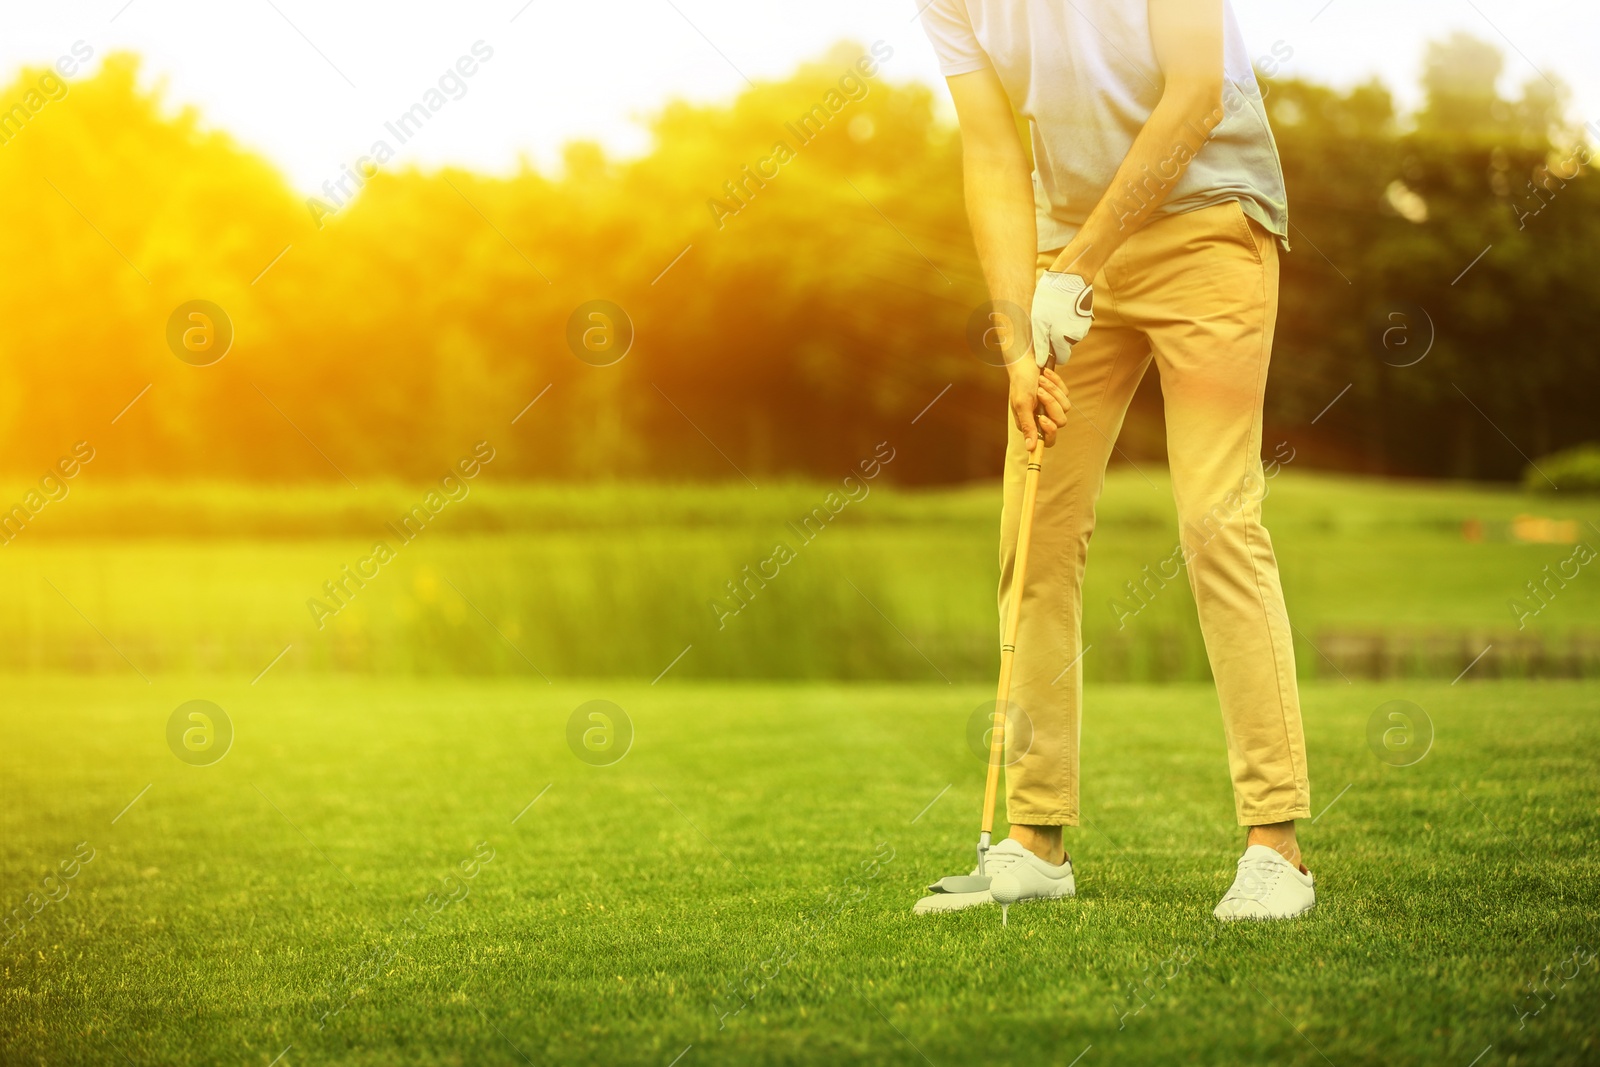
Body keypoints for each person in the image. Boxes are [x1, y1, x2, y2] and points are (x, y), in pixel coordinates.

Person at [913, 0, 1315, 920]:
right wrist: (1019, 336)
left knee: (1216, 518)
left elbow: (1197, 97)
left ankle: (1276, 847)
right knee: (1035, 532)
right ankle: (1034, 840)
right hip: (1066, 254)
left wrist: (1075, 269)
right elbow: (991, 153)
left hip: (1210, 220)